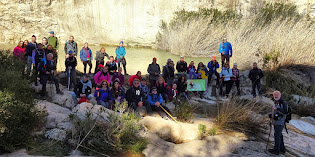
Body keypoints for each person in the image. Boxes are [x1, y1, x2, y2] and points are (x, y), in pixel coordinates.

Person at [268, 91, 288, 155]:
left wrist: (277, 110)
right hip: (277, 122)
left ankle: (276, 150)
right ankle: (282, 149)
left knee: (277, 136)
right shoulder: (276, 102)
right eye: (274, 95)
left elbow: (285, 112)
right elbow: (275, 113)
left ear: (280, 95)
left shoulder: (283, 103)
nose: (276, 96)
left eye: (277, 94)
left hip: (280, 123)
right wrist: (271, 115)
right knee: (279, 135)